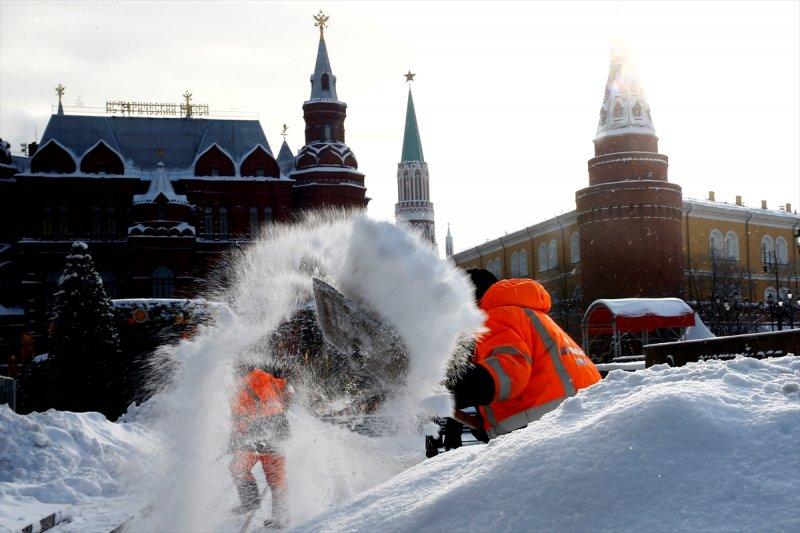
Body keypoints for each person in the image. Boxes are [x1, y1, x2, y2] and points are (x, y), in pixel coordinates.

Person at [445, 268, 601, 445]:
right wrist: (487, 420)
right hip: (582, 419)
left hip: (551, 432)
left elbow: (507, 373)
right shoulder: (530, 315)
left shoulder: (498, 316)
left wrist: (449, 385)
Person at [229, 364, 292, 528]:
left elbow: (240, 419)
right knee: (277, 478)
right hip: (278, 433)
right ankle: (281, 518)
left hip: (256, 437)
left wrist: (234, 441)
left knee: (238, 468)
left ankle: (250, 502)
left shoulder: (239, 387)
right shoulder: (268, 377)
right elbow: (289, 391)